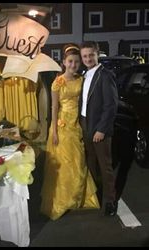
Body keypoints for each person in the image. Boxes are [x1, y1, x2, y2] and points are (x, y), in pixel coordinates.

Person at [40, 43, 100, 221]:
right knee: (64, 163)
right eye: (70, 61)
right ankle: (63, 200)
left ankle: (78, 197)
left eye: (76, 62)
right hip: (62, 126)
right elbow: (54, 108)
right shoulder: (57, 82)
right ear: (64, 62)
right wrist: (55, 132)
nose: (74, 65)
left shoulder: (82, 80)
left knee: (78, 161)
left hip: (78, 125)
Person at [79, 41, 119, 216]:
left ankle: (110, 201)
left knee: (105, 166)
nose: (88, 58)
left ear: (97, 54)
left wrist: (101, 129)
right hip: (85, 124)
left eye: (91, 55)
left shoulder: (105, 75)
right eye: (85, 56)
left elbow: (111, 105)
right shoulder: (85, 74)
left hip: (99, 127)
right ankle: (95, 195)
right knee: (91, 163)